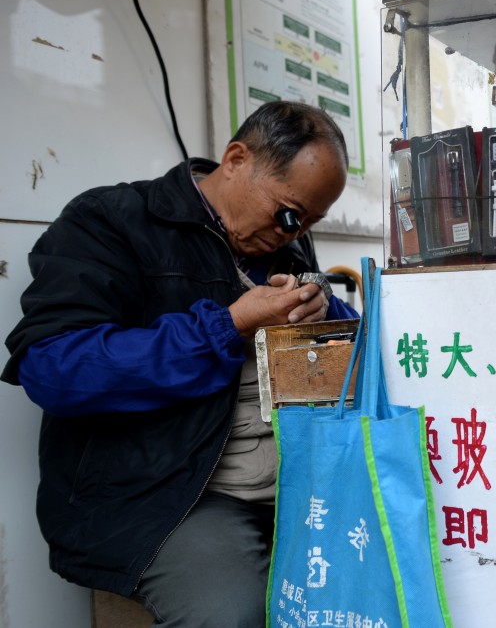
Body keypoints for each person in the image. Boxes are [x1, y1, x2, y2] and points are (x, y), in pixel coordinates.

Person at [2, 101, 359, 625]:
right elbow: (55, 369)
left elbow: (334, 347)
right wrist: (226, 326)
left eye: (308, 222)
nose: (292, 231)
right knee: (227, 613)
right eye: (287, 213)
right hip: (169, 495)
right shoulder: (112, 222)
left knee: (391, 567)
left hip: (295, 479)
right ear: (236, 159)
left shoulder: (283, 239)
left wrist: (324, 308)